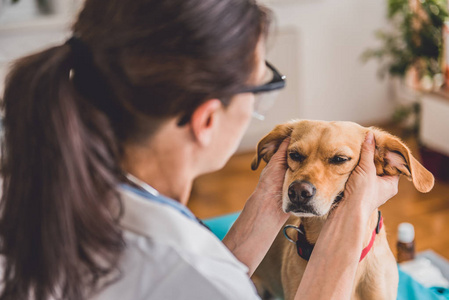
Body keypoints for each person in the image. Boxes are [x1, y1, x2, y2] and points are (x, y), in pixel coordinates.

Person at [0, 0, 399, 299]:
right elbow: (201, 278)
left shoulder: (30, 187)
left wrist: (267, 202)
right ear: (206, 120)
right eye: (262, 89)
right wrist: (354, 216)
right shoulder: (197, 277)